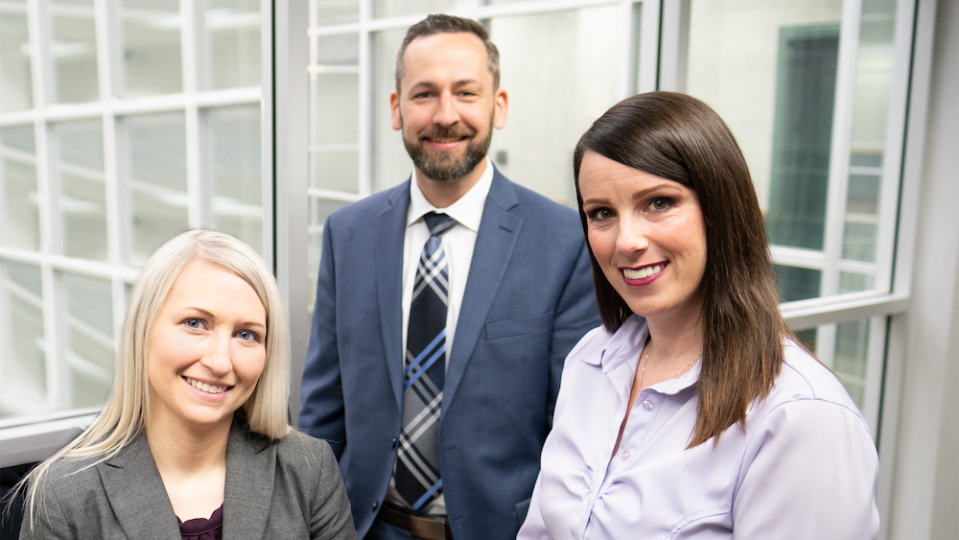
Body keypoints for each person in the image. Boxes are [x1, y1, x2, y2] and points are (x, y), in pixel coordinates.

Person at [517, 92, 880, 539]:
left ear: (720, 209)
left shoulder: (800, 416)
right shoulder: (590, 361)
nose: (626, 241)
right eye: (602, 213)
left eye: (659, 202)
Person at [298, 13, 599, 540]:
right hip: (363, 530)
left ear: (497, 106)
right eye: (424, 94)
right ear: (396, 109)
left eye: (466, 92)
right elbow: (323, 414)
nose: (445, 114)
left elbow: (574, 434)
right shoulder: (347, 235)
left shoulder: (565, 242)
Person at [15, 229, 356, 540]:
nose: (220, 362)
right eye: (195, 323)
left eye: (246, 334)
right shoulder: (64, 494)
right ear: (143, 331)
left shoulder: (309, 469)